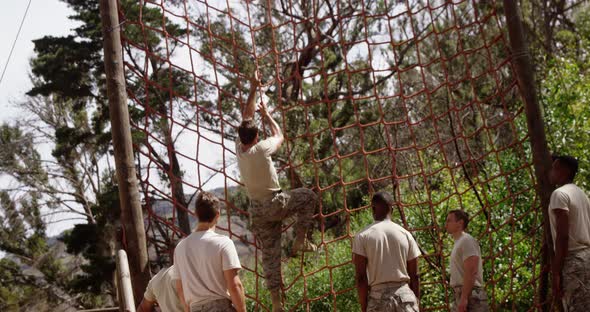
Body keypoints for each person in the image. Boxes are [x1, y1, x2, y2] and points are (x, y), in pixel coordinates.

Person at [235, 75, 318, 312]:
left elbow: (246, 117)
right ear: (257, 137)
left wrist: (252, 90)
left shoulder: (239, 150)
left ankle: (276, 304)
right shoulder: (262, 149)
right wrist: (268, 115)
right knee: (308, 197)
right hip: (275, 202)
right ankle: (300, 240)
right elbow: (280, 135)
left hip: (257, 211)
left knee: (270, 256)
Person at [173, 192, 246, 312]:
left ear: (196, 214)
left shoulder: (180, 247)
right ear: (217, 215)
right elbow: (234, 285)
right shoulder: (223, 243)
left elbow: (180, 289)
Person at [352, 192, 421, 312]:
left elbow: (361, 278)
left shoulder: (362, 236)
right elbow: (415, 275)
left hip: (378, 298)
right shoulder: (406, 234)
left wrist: (364, 307)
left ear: (373, 209)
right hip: (405, 297)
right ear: (392, 209)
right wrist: (416, 302)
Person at [548, 155, 590, 310]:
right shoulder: (581, 194)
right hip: (587, 257)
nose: (551, 172)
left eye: (555, 168)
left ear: (565, 171)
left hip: (572, 260)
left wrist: (557, 272)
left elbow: (563, 235)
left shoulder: (559, 194)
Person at [445, 210, 489, 312]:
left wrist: (464, 298)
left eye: (449, 220)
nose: (446, 224)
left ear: (460, 223)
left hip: (471, 296)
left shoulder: (467, 240)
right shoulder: (459, 242)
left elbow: (471, 270)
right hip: (461, 294)